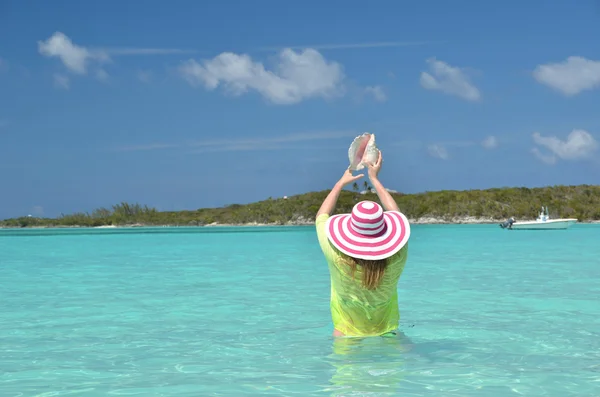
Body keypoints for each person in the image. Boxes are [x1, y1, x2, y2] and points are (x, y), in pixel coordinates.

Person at [315, 151, 411, 337]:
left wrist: (339, 184)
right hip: (387, 331)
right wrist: (375, 179)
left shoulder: (336, 255)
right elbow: (398, 214)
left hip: (345, 333)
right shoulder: (398, 256)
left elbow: (321, 217)